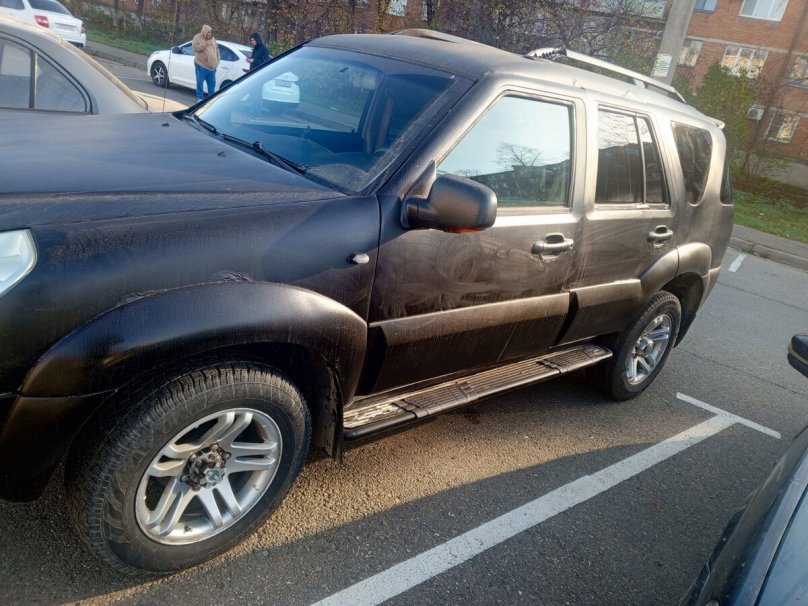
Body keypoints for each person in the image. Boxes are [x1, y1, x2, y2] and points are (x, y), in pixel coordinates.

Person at [192, 24, 219, 100]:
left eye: (211, 32)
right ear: (204, 32)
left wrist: (218, 60)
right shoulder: (197, 37)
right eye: (208, 32)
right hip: (201, 66)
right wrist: (206, 44)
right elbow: (195, 48)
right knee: (200, 84)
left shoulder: (213, 39)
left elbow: (217, 49)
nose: (210, 34)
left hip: (212, 68)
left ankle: (210, 101)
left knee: (212, 86)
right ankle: (200, 99)